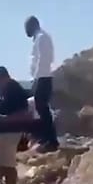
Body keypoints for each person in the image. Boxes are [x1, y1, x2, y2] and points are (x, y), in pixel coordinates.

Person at [25, 16, 59, 153]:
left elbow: (43, 59)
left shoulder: (42, 37)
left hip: (43, 77)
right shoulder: (39, 38)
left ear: (32, 25)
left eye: (26, 27)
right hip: (41, 77)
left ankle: (51, 140)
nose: (25, 31)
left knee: (42, 108)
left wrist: (36, 78)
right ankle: (47, 138)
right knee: (40, 108)